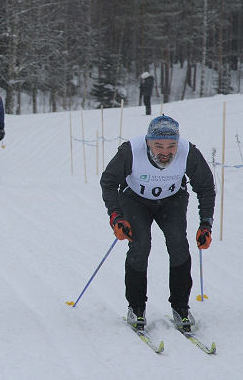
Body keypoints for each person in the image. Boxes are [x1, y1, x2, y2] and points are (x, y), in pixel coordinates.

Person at [100, 115, 215, 332]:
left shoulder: (188, 152)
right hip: (135, 200)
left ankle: (181, 307)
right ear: (148, 142)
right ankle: (136, 307)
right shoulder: (130, 151)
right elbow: (108, 182)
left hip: (172, 200)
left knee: (178, 244)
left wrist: (205, 224)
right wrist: (116, 216)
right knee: (140, 244)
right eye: (158, 145)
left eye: (171, 145)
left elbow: (206, 187)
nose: (165, 151)